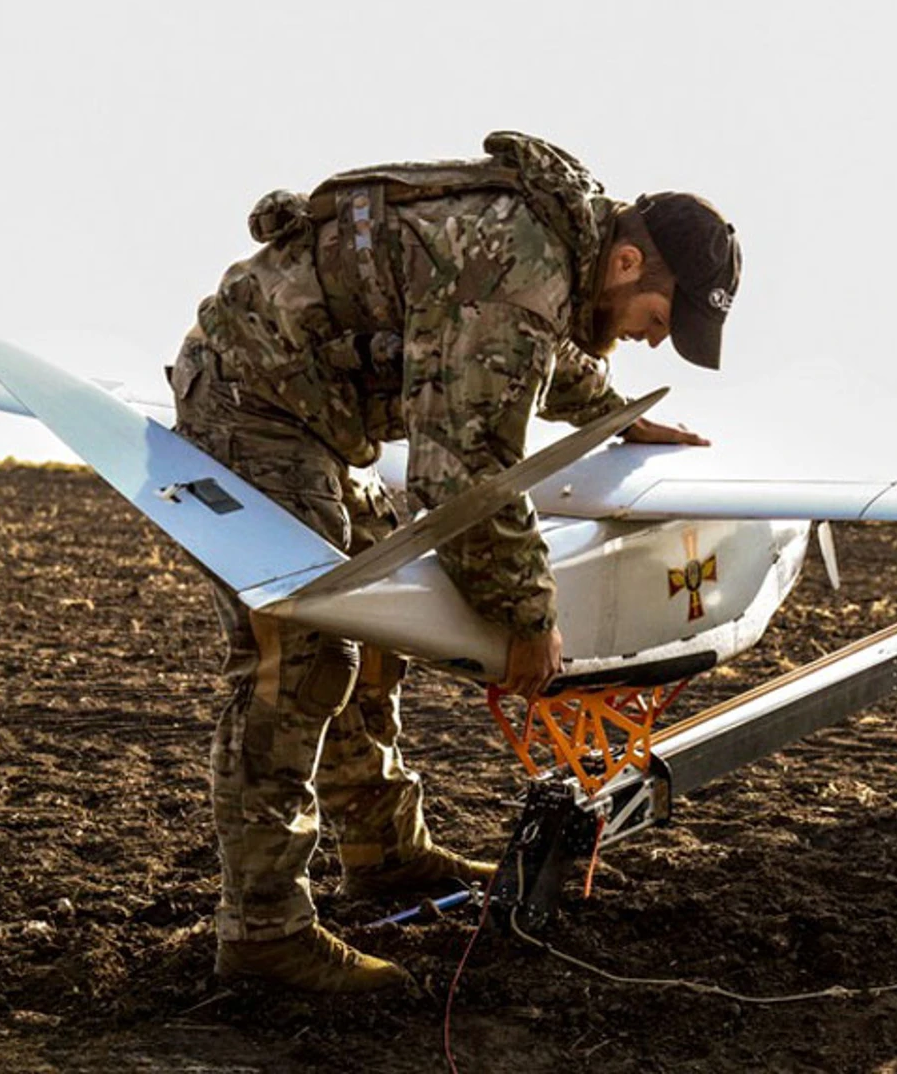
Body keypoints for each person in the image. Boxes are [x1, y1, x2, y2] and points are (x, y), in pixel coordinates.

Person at [165, 132, 741, 991]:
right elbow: (459, 467)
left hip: (299, 415)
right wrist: (530, 617)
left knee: (378, 619)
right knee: (305, 651)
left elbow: (526, 355)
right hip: (254, 411)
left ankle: (384, 852)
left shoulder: (553, 245)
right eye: (660, 321)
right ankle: (262, 933)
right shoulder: (523, 262)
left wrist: (613, 413)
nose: (655, 342)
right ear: (626, 263)